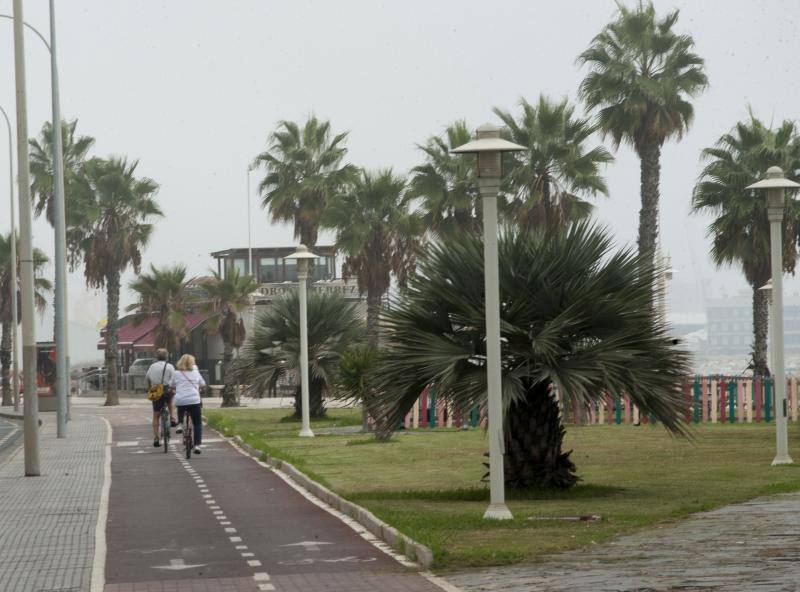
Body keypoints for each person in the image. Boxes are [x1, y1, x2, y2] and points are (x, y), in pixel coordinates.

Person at [170, 354, 206, 454]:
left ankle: (180, 424)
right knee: (197, 423)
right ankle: (197, 445)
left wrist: (175, 388)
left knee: (181, 404)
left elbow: (171, 385)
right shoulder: (195, 372)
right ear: (192, 363)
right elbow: (203, 384)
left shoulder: (176, 373)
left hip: (181, 400)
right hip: (194, 400)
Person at [146, 349, 176, 448]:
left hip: (156, 391)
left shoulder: (152, 366)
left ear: (156, 357)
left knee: (156, 415)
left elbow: (147, 378)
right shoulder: (170, 366)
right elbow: (174, 379)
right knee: (170, 401)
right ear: (166, 356)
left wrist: (150, 387)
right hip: (167, 390)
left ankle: (156, 437)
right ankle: (172, 417)